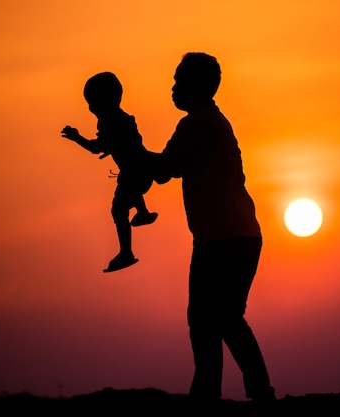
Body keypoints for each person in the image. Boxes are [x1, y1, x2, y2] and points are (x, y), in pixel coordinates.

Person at [153, 52, 276, 402]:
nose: (173, 88)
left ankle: (224, 394)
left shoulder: (197, 124)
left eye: (179, 81)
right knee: (220, 319)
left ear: (197, 85)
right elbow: (166, 168)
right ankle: (235, 392)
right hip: (233, 235)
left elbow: (162, 170)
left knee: (215, 320)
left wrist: (130, 154)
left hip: (223, 238)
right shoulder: (212, 121)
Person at [61, 72, 157, 273]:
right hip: (137, 171)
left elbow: (97, 147)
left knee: (118, 209)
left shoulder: (113, 122)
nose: (91, 108)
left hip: (136, 173)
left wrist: (77, 138)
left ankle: (126, 252)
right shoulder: (121, 120)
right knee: (128, 188)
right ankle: (143, 212)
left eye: (93, 103)